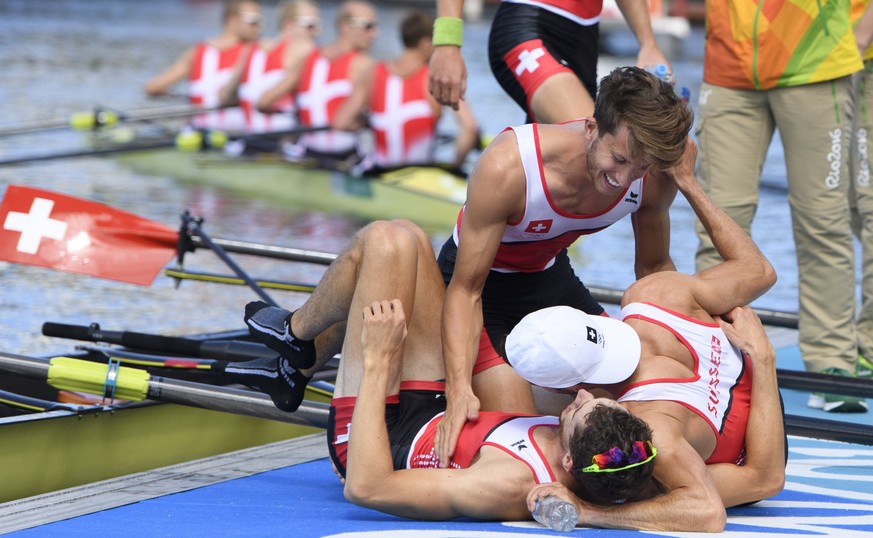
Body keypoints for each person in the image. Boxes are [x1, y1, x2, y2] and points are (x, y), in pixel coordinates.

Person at [214, 141, 784, 531]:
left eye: (583, 408)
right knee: (434, 257)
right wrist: (761, 362)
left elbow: (367, 487)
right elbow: (721, 499)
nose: (585, 394)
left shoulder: (510, 486)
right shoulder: (631, 460)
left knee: (391, 240)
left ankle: (300, 344)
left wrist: (382, 361)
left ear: (565, 463)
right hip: (458, 409)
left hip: (384, 430)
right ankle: (301, 351)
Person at [502, 139, 786, 530]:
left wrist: (589, 514)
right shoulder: (653, 296)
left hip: (751, 442)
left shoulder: (652, 436)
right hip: (747, 390)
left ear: (573, 388)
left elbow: (764, 479)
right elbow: (760, 272)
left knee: (636, 486)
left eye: (575, 401)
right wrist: (687, 182)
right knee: (628, 477)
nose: (583, 396)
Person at [435, 66, 692, 466]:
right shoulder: (509, 166)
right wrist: (457, 391)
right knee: (521, 441)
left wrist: (692, 339)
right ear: (591, 128)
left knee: (641, 397)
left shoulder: (654, 173)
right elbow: (466, 290)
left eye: (638, 169)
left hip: (549, 278)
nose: (624, 180)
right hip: (478, 288)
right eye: (618, 159)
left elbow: (656, 270)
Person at [693, 0, 867, 412]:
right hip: (728, 66)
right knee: (717, 223)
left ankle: (831, 366)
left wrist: (859, 36)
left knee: (822, 222)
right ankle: (715, 357)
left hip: (816, 65)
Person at [428, 0, 671, 123]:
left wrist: (648, 44)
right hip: (528, 25)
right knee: (595, 141)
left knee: (561, 175)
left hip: (583, 40)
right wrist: (447, 43)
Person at [257, 0, 378, 166]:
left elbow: (263, 103)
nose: (374, 33)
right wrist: (363, 122)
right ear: (345, 26)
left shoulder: (308, 58)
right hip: (345, 158)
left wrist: (296, 114)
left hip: (307, 155)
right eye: (368, 26)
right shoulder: (365, 65)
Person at [366, 10, 479, 171]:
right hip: (419, 177)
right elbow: (470, 128)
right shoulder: (437, 79)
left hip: (377, 172)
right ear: (427, 45)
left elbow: (343, 121)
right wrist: (455, 168)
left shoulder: (374, 72)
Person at [144, 0, 263, 132]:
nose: (259, 27)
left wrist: (190, 98)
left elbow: (154, 88)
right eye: (253, 20)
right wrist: (186, 97)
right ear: (233, 18)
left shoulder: (197, 51)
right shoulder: (256, 52)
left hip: (198, 133)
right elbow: (152, 88)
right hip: (232, 137)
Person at [219, 0, 322, 137]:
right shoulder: (306, 50)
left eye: (318, 25)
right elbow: (264, 102)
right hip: (281, 140)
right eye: (310, 25)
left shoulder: (252, 49)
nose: (317, 31)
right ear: (289, 23)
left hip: (248, 140)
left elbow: (225, 96)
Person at [852, 0, 873, 381]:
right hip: (830, 65)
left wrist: (860, 37)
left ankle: (869, 344)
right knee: (857, 209)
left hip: (860, 61)